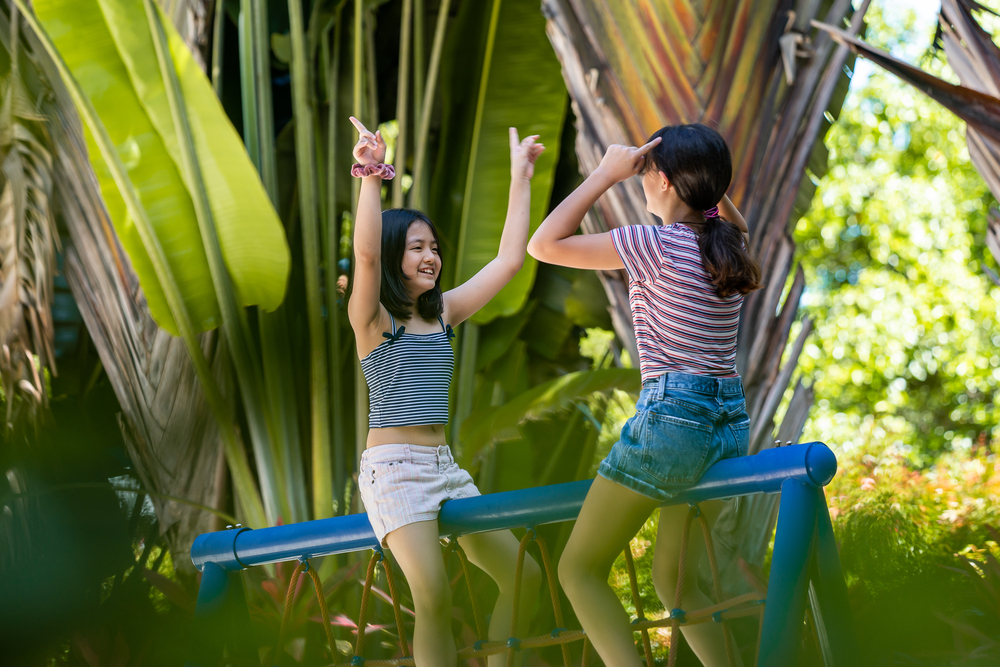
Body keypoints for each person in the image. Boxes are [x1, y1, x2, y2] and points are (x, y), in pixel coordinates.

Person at [527, 123, 760, 667]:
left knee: (577, 570)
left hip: (673, 422)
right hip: (729, 426)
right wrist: (705, 181)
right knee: (676, 583)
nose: (639, 182)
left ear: (663, 180)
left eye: (643, 174)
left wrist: (605, 174)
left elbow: (543, 245)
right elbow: (734, 219)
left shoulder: (652, 244)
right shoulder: (728, 245)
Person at [347, 115, 544, 667]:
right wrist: (370, 176)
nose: (430, 256)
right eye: (416, 247)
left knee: (524, 577)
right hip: (395, 472)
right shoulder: (373, 321)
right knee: (433, 598)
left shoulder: (443, 314)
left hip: (445, 468)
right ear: (394, 255)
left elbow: (509, 262)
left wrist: (519, 178)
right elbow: (364, 257)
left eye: (433, 247)